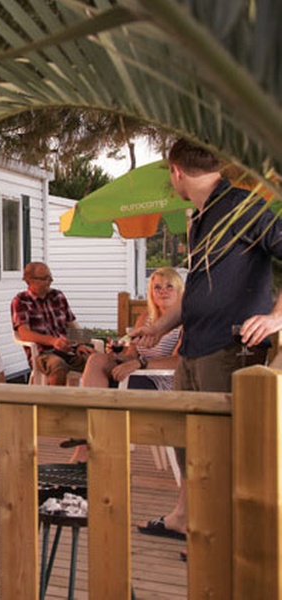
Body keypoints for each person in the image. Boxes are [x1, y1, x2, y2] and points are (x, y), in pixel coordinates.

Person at [134, 138, 282, 544]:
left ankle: (222, 537)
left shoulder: (243, 206)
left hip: (229, 349)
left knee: (221, 447)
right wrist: (160, 327)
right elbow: (198, 291)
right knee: (186, 438)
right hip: (194, 348)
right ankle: (185, 517)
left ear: (176, 171)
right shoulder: (200, 216)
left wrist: (276, 317)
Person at [81, 267, 184, 390]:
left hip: (161, 381)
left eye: (169, 286)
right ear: (151, 292)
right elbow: (131, 355)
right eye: (157, 287)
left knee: (124, 380)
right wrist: (118, 356)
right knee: (97, 360)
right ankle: (93, 402)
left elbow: (178, 361)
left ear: (179, 291)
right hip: (136, 371)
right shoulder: (144, 319)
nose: (163, 291)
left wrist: (140, 364)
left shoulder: (185, 323)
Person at [11, 261, 94, 386]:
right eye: (45, 278)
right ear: (30, 280)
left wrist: (82, 343)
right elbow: (24, 334)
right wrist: (53, 341)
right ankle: (55, 398)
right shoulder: (21, 301)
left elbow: (71, 323)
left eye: (50, 277)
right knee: (58, 366)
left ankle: (95, 397)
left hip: (69, 350)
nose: (50, 281)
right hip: (43, 353)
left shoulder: (57, 296)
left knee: (98, 361)